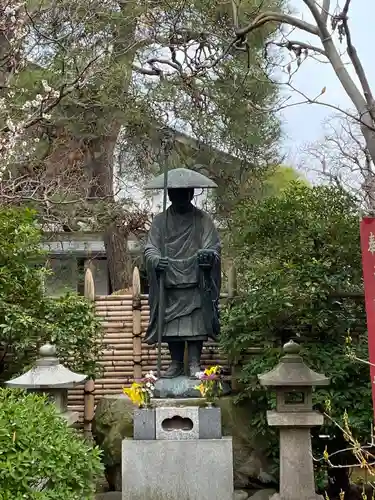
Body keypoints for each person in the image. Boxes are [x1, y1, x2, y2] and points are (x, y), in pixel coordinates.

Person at [144, 185, 221, 379]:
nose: (178, 197)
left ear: (191, 194)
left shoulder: (203, 220)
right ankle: (176, 363)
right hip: (170, 280)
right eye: (174, 194)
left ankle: (195, 363)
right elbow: (150, 248)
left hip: (196, 280)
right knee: (171, 324)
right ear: (169, 195)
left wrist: (208, 256)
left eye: (183, 194)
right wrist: (155, 260)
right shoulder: (160, 221)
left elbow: (213, 247)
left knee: (195, 324)